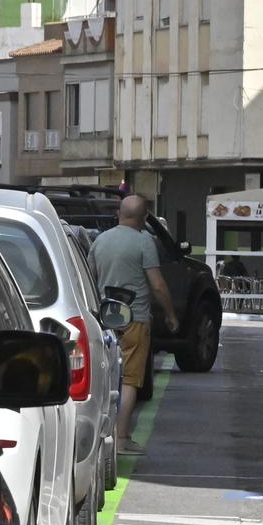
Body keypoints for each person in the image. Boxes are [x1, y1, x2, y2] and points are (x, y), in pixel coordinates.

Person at [93, 194, 178, 454]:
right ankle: (121, 439)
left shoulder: (100, 240)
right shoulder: (144, 242)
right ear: (143, 219)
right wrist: (170, 314)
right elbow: (158, 284)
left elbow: (89, 276)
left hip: (105, 319)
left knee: (105, 378)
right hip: (135, 320)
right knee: (129, 380)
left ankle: (101, 435)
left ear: (119, 214)